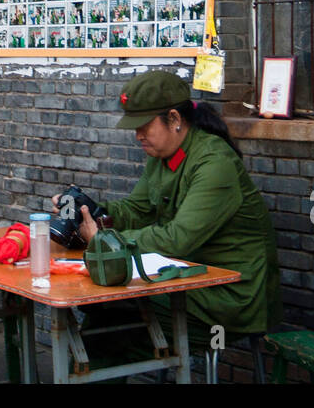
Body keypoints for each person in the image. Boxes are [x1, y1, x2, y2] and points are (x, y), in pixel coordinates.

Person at [57, 70, 280, 342]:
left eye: (144, 126)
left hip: (229, 297)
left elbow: (177, 239)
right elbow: (137, 210)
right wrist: (90, 212)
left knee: (113, 315)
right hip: (185, 277)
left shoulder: (214, 163)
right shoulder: (162, 155)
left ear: (174, 118)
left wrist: (105, 240)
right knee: (104, 311)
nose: (138, 135)